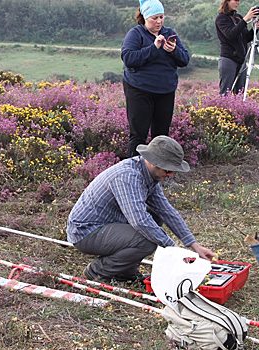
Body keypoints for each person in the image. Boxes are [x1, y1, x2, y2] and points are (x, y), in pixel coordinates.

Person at [66, 136, 216, 281]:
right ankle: (96, 272)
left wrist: (194, 245)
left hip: (106, 224)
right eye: (168, 170)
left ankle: (123, 271)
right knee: (146, 240)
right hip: (85, 231)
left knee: (156, 218)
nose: (170, 175)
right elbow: (139, 221)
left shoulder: (148, 174)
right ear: (152, 162)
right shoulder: (128, 177)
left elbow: (166, 211)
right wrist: (174, 249)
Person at [122, 0, 190, 157]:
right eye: (154, 18)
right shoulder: (136, 34)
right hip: (139, 90)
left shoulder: (169, 33)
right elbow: (128, 58)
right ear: (145, 17)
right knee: (138, 135)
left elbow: (184, 60)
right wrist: (154, 48)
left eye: (161, 17)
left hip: (165, 91)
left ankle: (158, 174)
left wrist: (174, 50)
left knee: (161, 137)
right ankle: (134, 172)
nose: (159, 21)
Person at [215, 0, 259, 95]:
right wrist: (245, 20)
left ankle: (238, 109)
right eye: (235, 0)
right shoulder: (221, 18)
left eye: (239, 1)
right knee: (225, 92)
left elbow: (246, 38)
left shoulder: (238, 17)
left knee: (240, 92)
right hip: (228, 59)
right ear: (227, 1)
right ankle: (223, 109)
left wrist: (255, 30)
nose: (237, 3)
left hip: (241, 60)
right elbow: (231, 34)